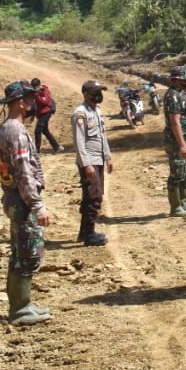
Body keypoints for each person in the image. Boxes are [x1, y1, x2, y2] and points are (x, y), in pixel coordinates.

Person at [0, 80, 52, 326]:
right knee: (27, 253)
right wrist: (37, 204)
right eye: (29, 99)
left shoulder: (6, 128)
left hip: (13, 197)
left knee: (19, 251)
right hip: (21, 199)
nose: (33, 103)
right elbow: (23, 172)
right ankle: (20, 308)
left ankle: (22, 304)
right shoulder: (16, 131)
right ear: (20, 102)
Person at [71, 80, 113, 246]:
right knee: (94, 196)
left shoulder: (97, 111)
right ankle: (89, 235)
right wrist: (86, 164)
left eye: (100, 92)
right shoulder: (80, 113)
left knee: (92, 196)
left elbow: (103, 137)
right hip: (89, 160)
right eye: (95, 92)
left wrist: (108, 157)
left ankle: (83, 232)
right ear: (86, 94)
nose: (99, 95)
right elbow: (79, 141)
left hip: (99, 159)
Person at [163, 65, 186, 217]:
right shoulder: (173, 96)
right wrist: (182, 145)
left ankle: (185, 203)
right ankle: (176, 207)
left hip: (184, 139)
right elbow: (175, 122)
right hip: (177, 141)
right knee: (177, 172)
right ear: (176, 80)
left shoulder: (177, 94)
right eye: (184, 79)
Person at [30, 78, 61, 154]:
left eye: (35, 87)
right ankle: (56, 146)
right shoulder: (36, 93)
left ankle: (36, 151)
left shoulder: (45, 91)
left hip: (46, 112)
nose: (35, 88)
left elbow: (45, 102)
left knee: (38, 131)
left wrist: (37, 94)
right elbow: (36, 104)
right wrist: (33, 115)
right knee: (45, 131)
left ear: (39, 85)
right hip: (41, 113)